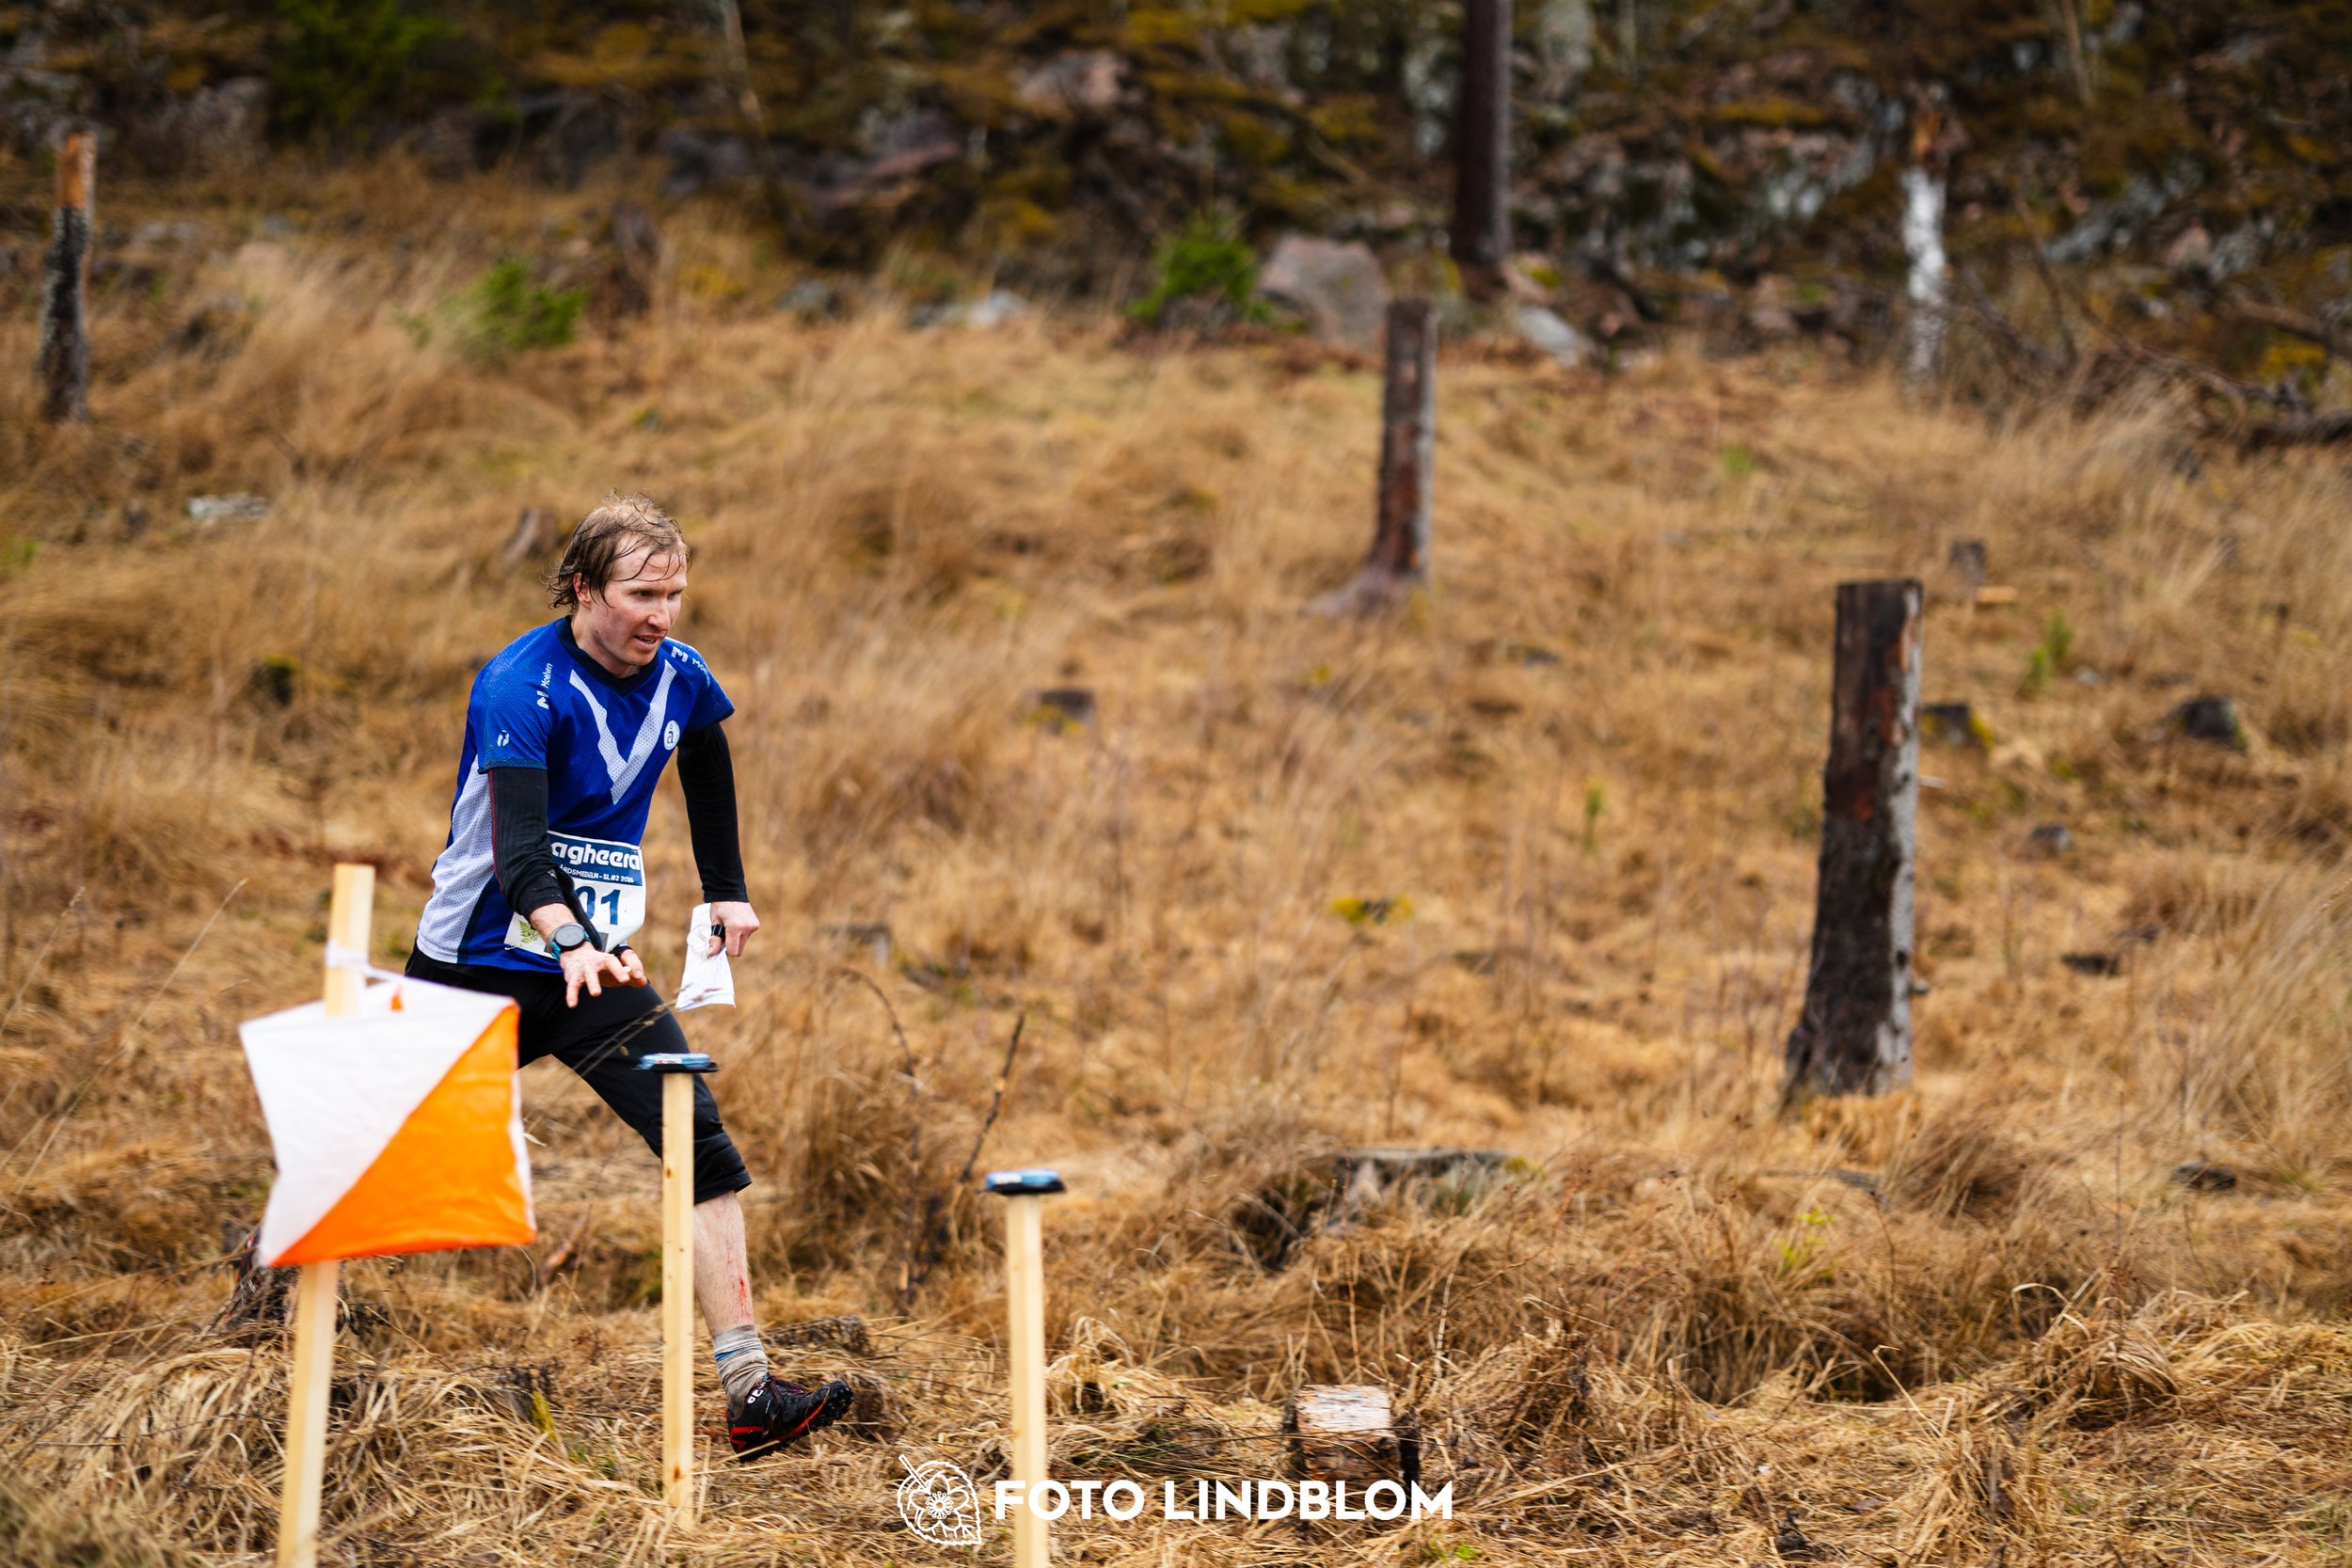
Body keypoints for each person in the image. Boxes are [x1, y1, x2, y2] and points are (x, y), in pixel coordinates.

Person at [405, 493, 850, 1459]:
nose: (661, 614)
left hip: (593, 971)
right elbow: (519, 853)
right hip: (477, 960)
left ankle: (748, 1389)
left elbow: (710, 758)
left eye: (675, 593)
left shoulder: (680, 675)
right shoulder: (517, 686)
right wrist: (569, 936)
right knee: (386, 1156)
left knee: (696, 1135)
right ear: (581, 588)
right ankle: (274, 1297)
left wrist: (727, 889)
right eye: (641, 593)